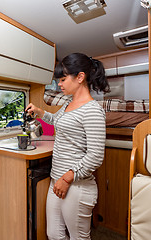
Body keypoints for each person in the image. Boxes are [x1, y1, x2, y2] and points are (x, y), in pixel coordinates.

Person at [26, 53, 110, 240]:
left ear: (80, 77)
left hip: (75, 184)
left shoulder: (92, 110)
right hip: (57, 179)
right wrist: (40, 112)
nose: (59, 85)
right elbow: (58, 121)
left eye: (63, 79)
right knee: (54, 234)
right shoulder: (68, 104)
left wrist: (67, 178)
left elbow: (96, 155)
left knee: (78, 237)